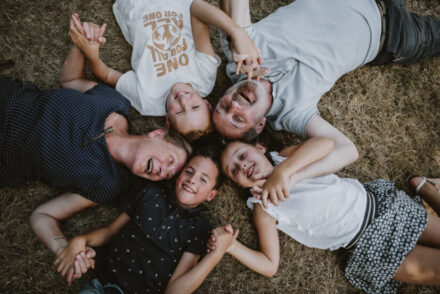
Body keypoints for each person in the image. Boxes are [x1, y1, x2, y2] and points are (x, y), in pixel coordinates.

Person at [0, 26, 191, 272]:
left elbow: (44, 216)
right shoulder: (116, 103)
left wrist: (63, 250)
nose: (164, 172)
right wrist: (83, 45)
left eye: (168, 176)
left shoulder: (109, 184)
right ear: (157, 135)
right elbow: (70, 81)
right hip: (9, 99)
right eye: (171, 161)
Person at [213, 0, 440, 175]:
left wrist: (237, 32)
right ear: (260, 124)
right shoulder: (292, 113)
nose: (234, 106)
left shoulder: (239, 59)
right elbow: (347, 151)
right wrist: (288, 174)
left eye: (223, 106)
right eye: (238, 119)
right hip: (393, 32)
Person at [213, 139, 440, 293]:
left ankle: (427, 187)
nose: (241, 165)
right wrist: (231, 247)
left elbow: (326, 144)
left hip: (386, 209)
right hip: (371, 248)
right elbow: (270, 265)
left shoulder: (284, 158)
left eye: (241, 155)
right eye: (234, 171)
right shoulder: (264, 207)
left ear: (260, 147)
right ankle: (426, 187)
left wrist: (283, 172)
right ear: (239, 184)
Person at [71, 0, 262, 141]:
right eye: (195, 107)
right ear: (207, 105)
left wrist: (91, 53)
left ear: (168, 120)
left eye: (179, 112)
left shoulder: (147, 101)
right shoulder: (204, 79)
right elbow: (196, 10)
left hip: (134, 6)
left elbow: (106, 75)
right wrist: (237, 32)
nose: (183, 100)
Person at [52, 154, 237, 293]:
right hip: (101, 286)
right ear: (179, 174)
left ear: (211, 195)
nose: (192, 179)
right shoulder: (150, 193)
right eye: (189, 171)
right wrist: (80, 240)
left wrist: (216, 255)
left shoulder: (199, 227)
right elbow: (110, 231)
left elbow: (174, 291)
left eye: (203, 179)